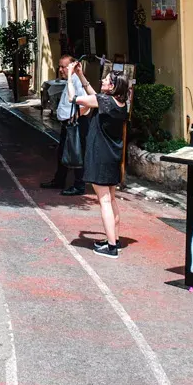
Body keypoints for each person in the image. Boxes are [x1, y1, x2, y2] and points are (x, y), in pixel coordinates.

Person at [76, 68, 130, 258]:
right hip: (112, 157)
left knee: (104, 201)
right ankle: (113, 239)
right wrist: (81, 75)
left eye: (106, 80)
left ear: (112, 86)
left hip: (100, 156)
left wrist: (69, 78)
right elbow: (95, 96)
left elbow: (80, 99)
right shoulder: (121, 104)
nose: (102, 81)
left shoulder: (105, 102)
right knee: (112, 199)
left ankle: (112, 247)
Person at [40, 55, 87, 195]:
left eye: (63, 67)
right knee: (62, 152)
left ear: (72, 66)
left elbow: (87, 104)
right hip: (68, 123)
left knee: (77, 153)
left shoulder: (77, 82)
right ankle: (59, 180)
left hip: (76, 123)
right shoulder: (70, 81)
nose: (60, 70)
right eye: (59, 66)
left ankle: (79, 185)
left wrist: (74, 118)